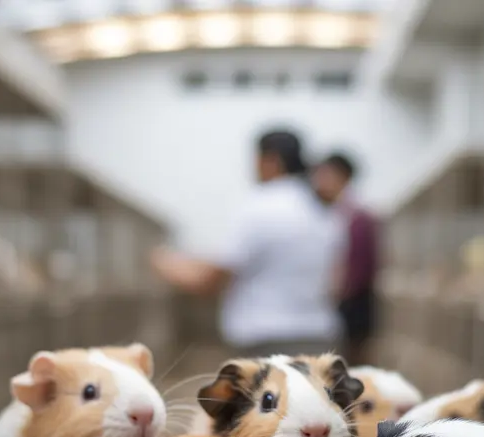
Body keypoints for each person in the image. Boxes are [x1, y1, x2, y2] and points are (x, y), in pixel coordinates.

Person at [150, 128, 341, 357]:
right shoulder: (324, 212)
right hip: (319, 338)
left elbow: (210, 281)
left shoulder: (258, 206)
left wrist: (164, 262)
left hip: (264, 342)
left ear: (270, 161)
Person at [313, 152, 379, 366]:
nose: (319, 181)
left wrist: (339, 293)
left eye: (326, 175)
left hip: (352, 304)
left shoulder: (356, 217)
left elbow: (361, 269)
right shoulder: (328, 214)